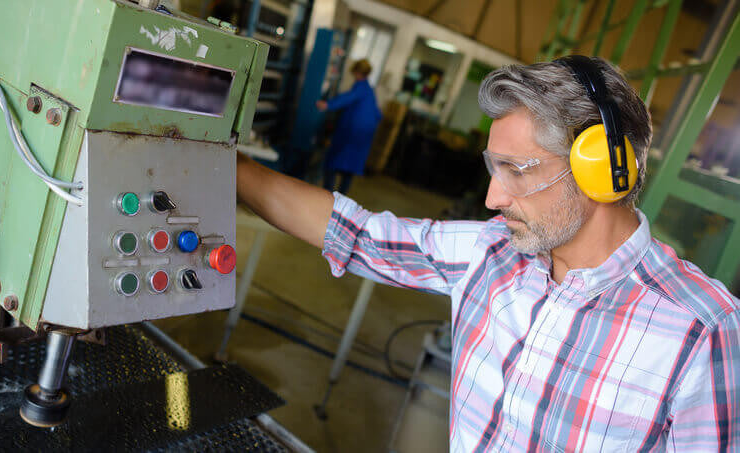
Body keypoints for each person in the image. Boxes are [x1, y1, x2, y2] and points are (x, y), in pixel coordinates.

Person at [237, 56, 739, 452]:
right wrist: (218, 162)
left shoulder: (701, 331)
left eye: (516, 171)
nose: (493, 199)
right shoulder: (493, 252)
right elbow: (360, 235)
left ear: (602, 170)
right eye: (492, 169)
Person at [315, 59, 382, 195]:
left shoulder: (360, 88)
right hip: (363, 137)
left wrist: (327, 105)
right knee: (349, 170)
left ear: (356, 72)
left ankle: (328, 197)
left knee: (332, 164)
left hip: (352, 134)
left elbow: (347, 98)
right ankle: (341, 202)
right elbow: (378, 114)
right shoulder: (370, 90)